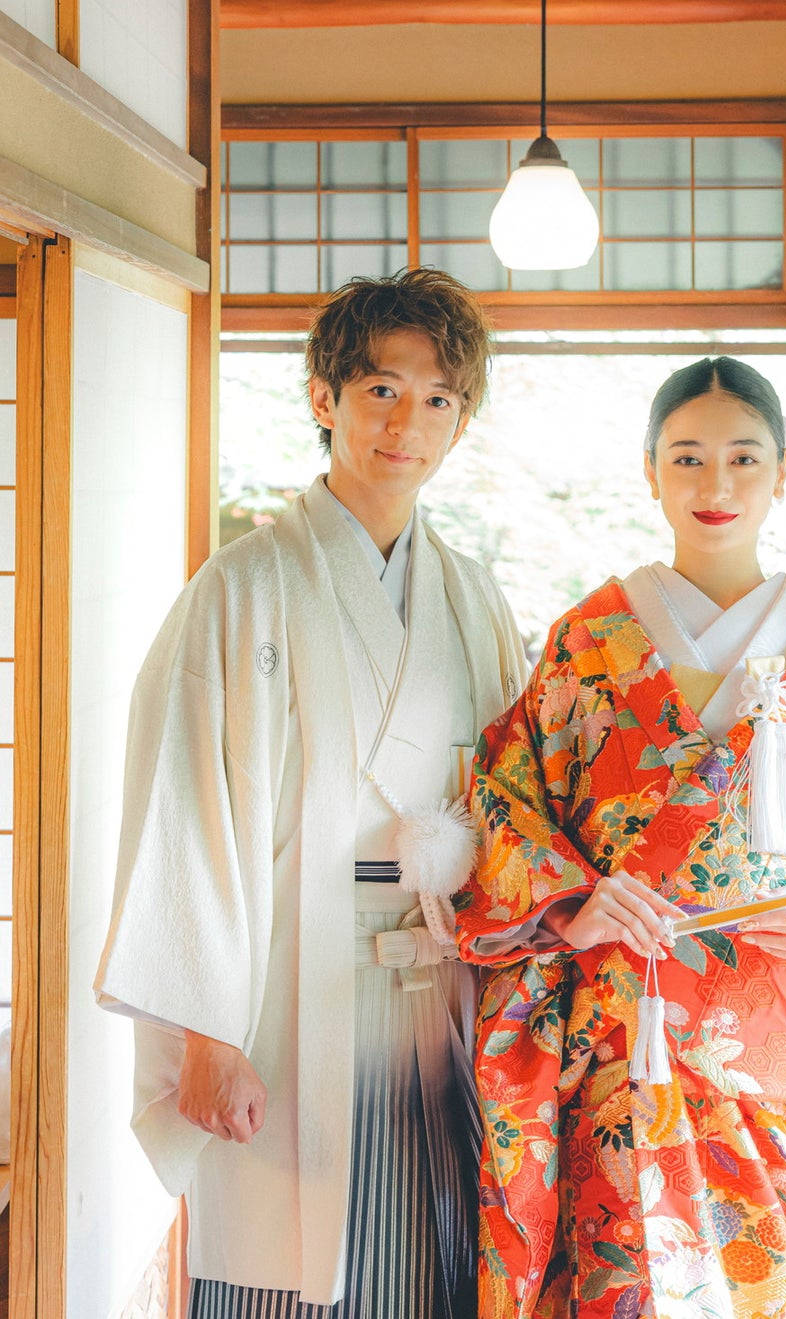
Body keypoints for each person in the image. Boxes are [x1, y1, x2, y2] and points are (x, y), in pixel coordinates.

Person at [457, 357, 786, 1319]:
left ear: (781, 469)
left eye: (742, 459)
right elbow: (503, 799)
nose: (715, 487)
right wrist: (574, 900)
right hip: (625, 1040)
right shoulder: (587, 641)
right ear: (649, 471)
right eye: (687, 458)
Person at [96, 269, 527, 1318]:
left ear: (460, 421)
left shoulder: (472, 593)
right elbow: (184, 807)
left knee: (431, 1258)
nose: (407, 421)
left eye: (438, 399)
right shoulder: (242, 588)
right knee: (289, 1268)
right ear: (323, 397)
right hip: (287, 993)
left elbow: (518, 800)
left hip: (441, 993)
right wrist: (206, 1034)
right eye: (381, 388)